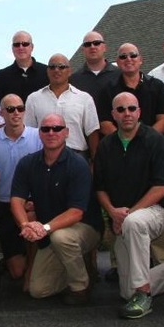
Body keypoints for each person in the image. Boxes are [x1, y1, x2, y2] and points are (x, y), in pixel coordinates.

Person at [94, 92, 164, 319]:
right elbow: (100, 188)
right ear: (113, 115)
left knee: (135, 222)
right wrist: (112, 212)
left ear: (139, 112)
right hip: (121, 218)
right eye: (121, 110)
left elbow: (162, 188)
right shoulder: (106, 146)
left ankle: (144, 294)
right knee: (126, 292)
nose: (126, 113)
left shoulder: (155, 140)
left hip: (155, 212)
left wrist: (127, 215)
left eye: (131, 109)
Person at [10, 113, 100, 305]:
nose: (51, 133)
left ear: (66, 133)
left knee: (62, 238)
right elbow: (16, 200)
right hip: (50, 231)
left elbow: (76, 212)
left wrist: (45, 228)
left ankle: (80, 287)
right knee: (38, 290)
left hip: (83, 227)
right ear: (39, 134)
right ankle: (78, 265)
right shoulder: (28, 163)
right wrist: (25, 225)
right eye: (46, 129)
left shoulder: (78, 164)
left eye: (57, 128)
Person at [0, 94, 42, 285]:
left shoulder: (38, 136)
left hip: (31, 203)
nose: (16, 113)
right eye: (10, 109)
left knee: (32, 220)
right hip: (4, 204)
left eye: (20, 108)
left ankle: (36, 273)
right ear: (1, 113)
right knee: (17, 272)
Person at [25, 53, 99, 159]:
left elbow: (92, 132)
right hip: (42, 158)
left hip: (77, 157)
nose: (56, 70)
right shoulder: (33, 99)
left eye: (61, 67)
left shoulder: (84, 98)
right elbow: (28, 133)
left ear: (69, 71)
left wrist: (94, 161)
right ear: (47, 71)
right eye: (52, 67)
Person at [97, 43, 164, 137]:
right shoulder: (107, 90)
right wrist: (126, 141)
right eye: (123, 56)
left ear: (140, 60)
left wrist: (146, 140)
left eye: (133, 55)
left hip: (153, 146)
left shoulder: (157, 86)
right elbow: (105, 124)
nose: (128, 59)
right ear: (118, 62)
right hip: (120, 147)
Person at [69, 30, 120, 111]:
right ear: (83, 50)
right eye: (87, 44)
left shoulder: (120, 75)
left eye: (96, 43)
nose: (92, 47)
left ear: (105, 47)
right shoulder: (74, 80)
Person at [0, 31, 49, 102]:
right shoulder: (1, 76)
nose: (21, 47)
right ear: (12, 48)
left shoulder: (47, 72)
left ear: (32, 47)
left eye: (25, 44)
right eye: (17, 44)